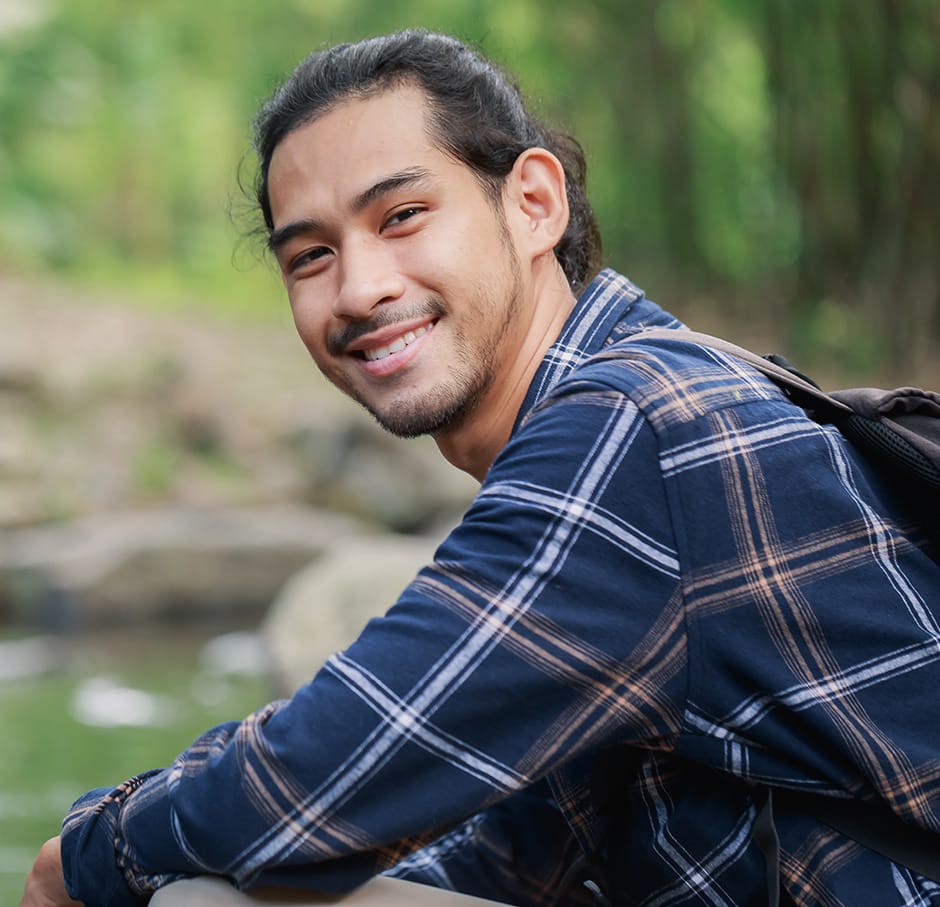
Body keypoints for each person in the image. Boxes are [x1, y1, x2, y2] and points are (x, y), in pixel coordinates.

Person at [21, 28, 940, 907]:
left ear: (534, 203)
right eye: (311, 256)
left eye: (404, 215)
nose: (360, 288)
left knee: (195, 895)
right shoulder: (642, 397)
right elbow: (513, 859)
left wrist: (91, 850)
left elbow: (318, 772)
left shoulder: (635, 423)